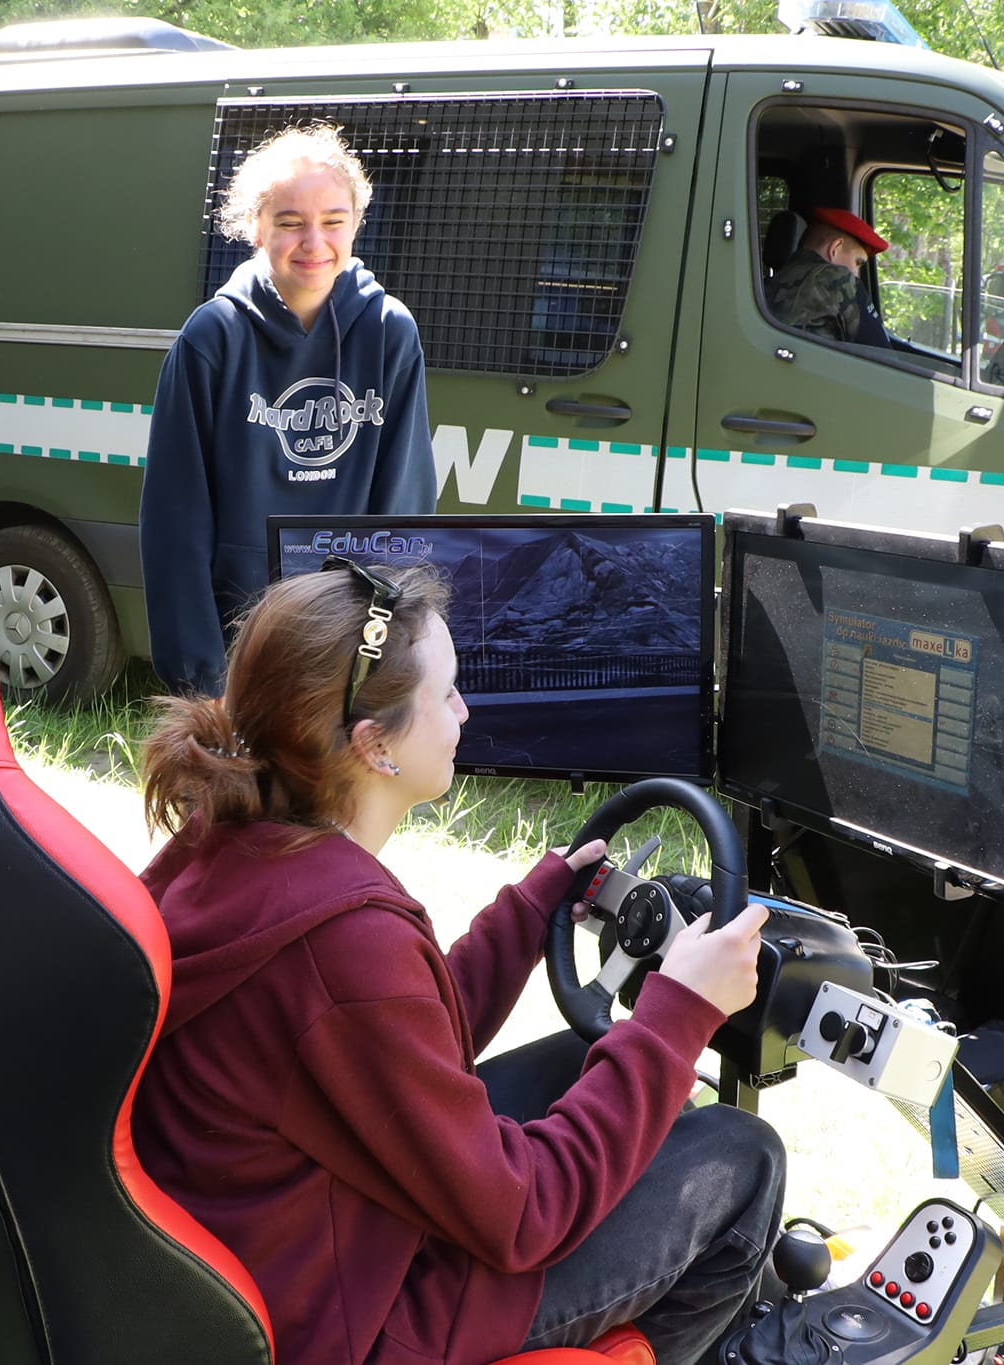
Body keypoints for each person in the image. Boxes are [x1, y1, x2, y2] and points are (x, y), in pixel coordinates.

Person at [131, 558, 786, 1365]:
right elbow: (524, 1213)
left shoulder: (231, 842)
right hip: (356, 1321)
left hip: (298, 1248)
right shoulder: (343, 940)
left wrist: (529, 910)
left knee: (585, 1057)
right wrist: (678, 1013)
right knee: (743, 1156)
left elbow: (385, 1046)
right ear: (374, 745)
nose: (464, 710)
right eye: (446, 694)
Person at [140, 125, 437, 697]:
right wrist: (202, 683)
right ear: (256, 226)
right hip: (236, 644)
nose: (314, 242)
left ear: (357, 222)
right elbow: (175, 524)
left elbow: (404, 510)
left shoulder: (390, 333)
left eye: (333, 221)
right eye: (290, 222)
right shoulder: (212, 337)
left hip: (350, 645)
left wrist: (387, 656)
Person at [764, 206, 892, 347]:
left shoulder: (764, 285)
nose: (857, 274)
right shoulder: (837, 279)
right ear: (835, 248)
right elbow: (882, 352)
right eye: (857, 263)